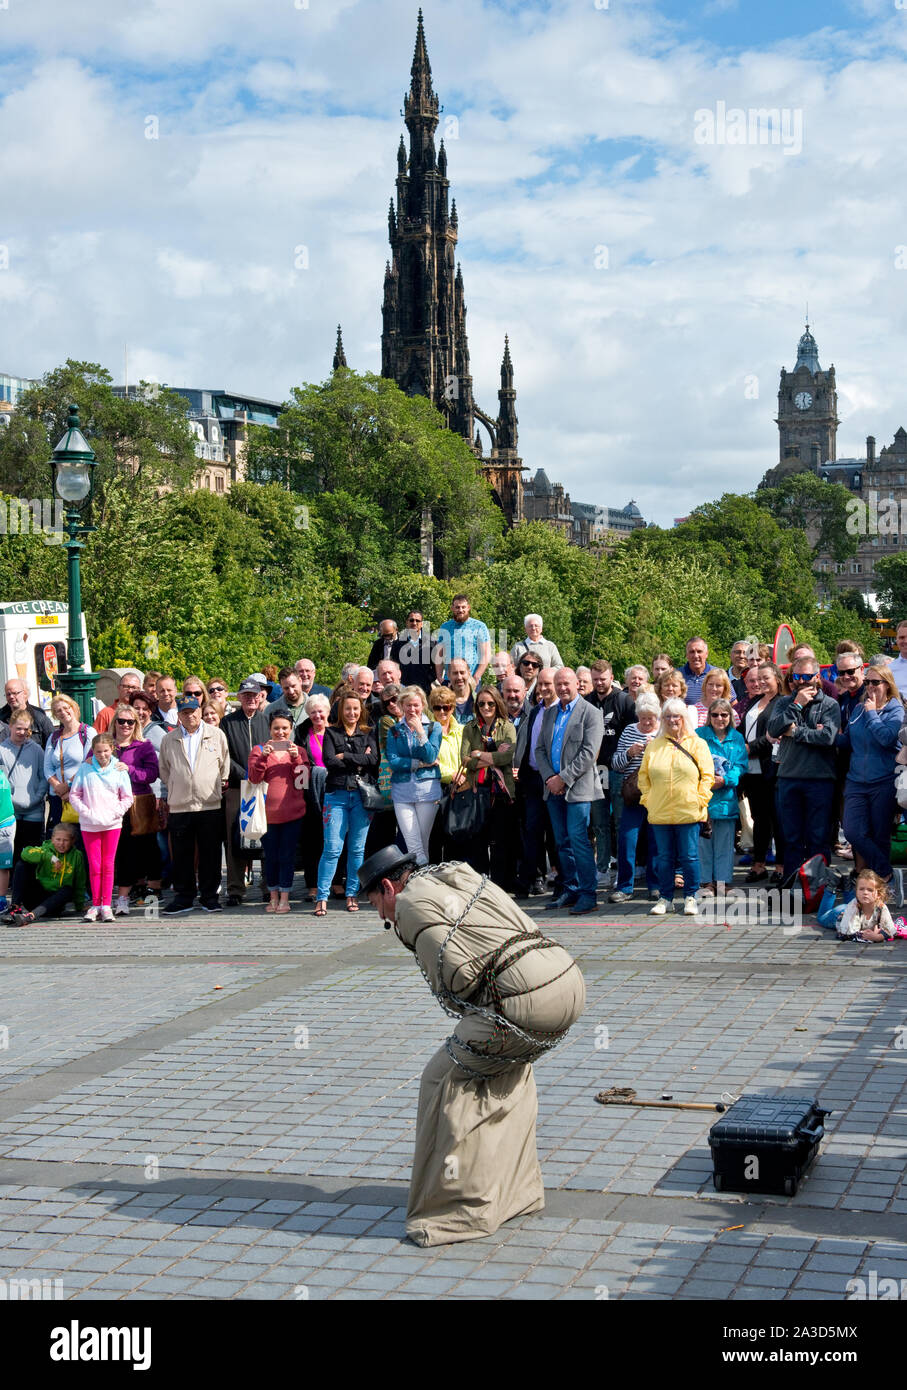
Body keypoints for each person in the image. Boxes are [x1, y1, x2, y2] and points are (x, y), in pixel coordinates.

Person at [358, 846, 585, 1247]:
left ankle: (455, 1210)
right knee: (509, 1070)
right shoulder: (455, 876)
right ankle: (517, 1192)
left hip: (525, 1003)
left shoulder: (409, 904)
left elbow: (459, 980)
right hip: (565, 979)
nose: (381, 916)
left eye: (377, 903)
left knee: (443, 1078)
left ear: (390, 887)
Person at [536, 667, 604, 915]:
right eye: (559, 684)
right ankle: (572, 889)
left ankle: (589, 893)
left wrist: (562, 779)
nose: (563, 688)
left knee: (578, 841)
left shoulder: (591, 713)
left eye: (567, 683)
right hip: (552, 789)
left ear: (577, 683)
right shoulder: (550, 712)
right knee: (562, 843)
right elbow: (540, 750)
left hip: (578, 789)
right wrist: (549, 778)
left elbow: (588, 754)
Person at [767, 656, 841, 882]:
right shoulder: (784, 703)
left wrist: (796, 732)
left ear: (817, 678)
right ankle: (792, 887)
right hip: (789, 778)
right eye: (797, 677)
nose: (801, 682)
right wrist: (796, 705)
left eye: (807, 677)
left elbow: (827, 737)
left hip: (820, 780)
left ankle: (818, 888)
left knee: (818, 838)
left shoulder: (829, 704)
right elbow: (773, 729)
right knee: (791, 838)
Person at [638, 698, 714, 915]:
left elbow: (708, 776)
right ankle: (665, 898)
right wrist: (648, 800)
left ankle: (691, 896)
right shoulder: (654, 745)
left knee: (689, 856)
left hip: (688, 810)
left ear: (684, 719)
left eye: (677, 716)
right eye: (668, 716)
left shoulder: (697, 744)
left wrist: (700, 799)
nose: (672, 720)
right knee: (664, 858)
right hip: (660, 811)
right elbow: (643, 778)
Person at [158, 695, 231, 915]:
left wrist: (213, 784)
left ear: (200, 711)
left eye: (193, 711)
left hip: (209, 803)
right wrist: (178, 784)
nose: (190, 716)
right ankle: (184, 896)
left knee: (210, 853)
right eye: (185, 713)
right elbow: (164, 770)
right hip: (180, 805)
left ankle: (210, 896)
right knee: (181, 854)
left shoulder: (216, 735)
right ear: (179, 715)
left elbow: (224, 765)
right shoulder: (168, 740)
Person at [315, 691, 378, 915]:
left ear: (361, 710)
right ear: (340, 711)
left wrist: (347, 757)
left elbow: (373, 760)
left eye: (355, 708)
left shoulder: (368, 733)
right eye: (347, 708)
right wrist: (359, 759)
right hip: (337, 795)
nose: (352, 712)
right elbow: (329, 761)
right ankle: (322, 897)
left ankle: (352, 894)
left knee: (357, 849)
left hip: (361, 797)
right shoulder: (331, 733)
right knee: (332, 848)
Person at [840, 665, 901, 880]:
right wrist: (824, 734)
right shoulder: (859, 709)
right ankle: (886, 872)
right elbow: (847, 741)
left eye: (875, 682)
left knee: (879, 835)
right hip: (856, 780)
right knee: (852, 831)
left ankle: (880, 887)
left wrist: (873, 713)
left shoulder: (896, 710)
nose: (870, 687)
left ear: (887, 684)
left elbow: (887, 738)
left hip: (883, 780)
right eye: (867, 682)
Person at [453, 685, 517, 888]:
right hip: (476, 790)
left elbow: (507, 756)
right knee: (478, 841)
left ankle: (500, 884)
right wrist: (491, 759)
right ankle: (481, 884)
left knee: (501, 841)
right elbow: (464, 760)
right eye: (481, 703)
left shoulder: (507, 727)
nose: (486, 707)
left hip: (500, 791)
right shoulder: (470, 728)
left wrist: (479, 754)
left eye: (490, 703)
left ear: (497, 703)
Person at [68, 733, 134, 922]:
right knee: (95, 864)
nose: (102, 755)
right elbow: (75, 794)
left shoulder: (119, 769)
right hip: (90, 824)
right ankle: (96, 904)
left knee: (108, 864)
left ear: (112, 749)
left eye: (106, 751)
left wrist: (116, 812)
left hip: (112, 823)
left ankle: (106, 905)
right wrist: (86, 812)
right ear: (93, 751)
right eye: (98, 751)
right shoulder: (85, 768)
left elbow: (127, 797)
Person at [247, 710, 308, 914]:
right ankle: (272, 896)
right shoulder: (258, 750)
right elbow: (254, 779)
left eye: (284, 728)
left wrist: (296, 759)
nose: (280, 732)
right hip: (267, 815)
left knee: (287, 856)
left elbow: (303, 781)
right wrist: (264, 757)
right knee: (271, 856)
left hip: (292, 813)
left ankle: (285, 897)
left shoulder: (299, 750)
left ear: (291, 730)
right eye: (276, 728)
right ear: (270, 729)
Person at [222, 677, 272, 906]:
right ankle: (235, 888)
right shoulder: (227, 722)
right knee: (235, 838)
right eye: (246, 695)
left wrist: (259, 775)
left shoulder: (267, 720)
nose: (250, 699)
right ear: (239, 698)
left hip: (263, 786)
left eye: (254, 695)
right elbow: (224, 756)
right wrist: (244, 774)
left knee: (265, 835)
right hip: (236, 786)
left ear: (261, 696)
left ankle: (267, 885)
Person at [608, 692, 661, 903]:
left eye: (651, 718)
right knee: (627, 839)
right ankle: (624, 886)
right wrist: (630, 753)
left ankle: (655, 886)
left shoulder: (663, 733)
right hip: (633, 793)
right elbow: (616, 764)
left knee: (656, 841)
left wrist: (653, 752)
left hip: (657, 794)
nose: (647, 722)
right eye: (643, 717)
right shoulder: (630, 730)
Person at [586, 660, 635, 885]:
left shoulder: (624, 701)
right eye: (595, 679)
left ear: (611, 677)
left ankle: (623, 872)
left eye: (602, 679)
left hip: (618, 768)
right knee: (599, 822)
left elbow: (633, 734)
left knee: (620, 821)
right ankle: (602, 869)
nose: (599, 683)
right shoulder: (587, 701)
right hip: (594, 770)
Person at [109, 704, 160, 916]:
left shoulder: (143, 746)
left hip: (138, 803)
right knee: (122, 851)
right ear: (115, 723)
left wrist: (128, 769)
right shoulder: (107, 745)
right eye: (121, 721)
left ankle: (153, 894)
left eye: (130, 722)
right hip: (113, 804)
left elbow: (152, 774)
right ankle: (123, 894)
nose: (126, 725)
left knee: (147, 848)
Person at [513, 666, 559, 897]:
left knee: (556, 834)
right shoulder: (534, 711)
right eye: (540, 684)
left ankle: (562, 880)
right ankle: (530, 878)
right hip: (532, 778)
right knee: (532, 831)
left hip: (556, 780)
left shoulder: (563, 710)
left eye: (548, 684)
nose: (543, 688)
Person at [386, 686, 443, 866]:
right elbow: (393, 761)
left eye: (416, 705)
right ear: (402, 706)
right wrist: (418, 764)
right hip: (402, 792)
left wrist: (420, 732)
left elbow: (431, 756)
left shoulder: (434, 727)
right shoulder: (394, 730)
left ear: (423, 705)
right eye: (408, 705)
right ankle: (423, 879)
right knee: (413, 843)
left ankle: (420, 882)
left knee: (422, 843)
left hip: (427, 791)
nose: (412, 709)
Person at [696, 699, 748, 896]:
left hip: (726, 797)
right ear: (709, 716)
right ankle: (705, 882)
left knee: (725, 843)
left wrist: (725, 779)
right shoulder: (699, 735)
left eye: (724, 715)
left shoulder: (736, 738)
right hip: (704, 796)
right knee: (704, 842)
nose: (719, 718)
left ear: (730, 717)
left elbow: (741, 765)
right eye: (715, 714)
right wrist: (708, 779)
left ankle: (723, 881)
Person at [739, 663, 785, 884]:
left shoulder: (782, 703)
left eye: (766, 678)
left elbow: (774, 736)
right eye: (758, 679)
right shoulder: (755, 702)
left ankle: (781, 865)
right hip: (752, 771)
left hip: (772, 768)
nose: (762, 682)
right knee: (759, 818)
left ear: (777, 678)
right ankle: (759, 864)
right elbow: (744, 731)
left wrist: (749, 748)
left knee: (777, 818)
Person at [3, 822, 87, 927]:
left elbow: (80, 881)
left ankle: (30, 916)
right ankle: (14, 908)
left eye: (65, 840)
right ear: (52, 839)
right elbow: (25, 853)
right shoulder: (46, 849)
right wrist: (50, 857)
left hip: (55, 904)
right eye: (58, 840)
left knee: (68, 889)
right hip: (36, 898)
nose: (61, 843)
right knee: (22, 864)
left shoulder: (77, 856)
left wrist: (79, 906)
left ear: (73, 841)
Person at [294, 693, 331, 901]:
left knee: (333, 839)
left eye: (320, 711)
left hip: (334, 789)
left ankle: (335, 882)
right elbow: (299, 765)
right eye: (313, 712)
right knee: (312, 840)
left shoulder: (335, 731)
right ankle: (313, 884)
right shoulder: (302, 734)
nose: (317, 715)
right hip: (310, 793)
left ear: (327, 712)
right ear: (308, 714)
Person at [45, 693, 96, 834]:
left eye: (66, 708)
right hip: (57, 796)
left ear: (73, 708)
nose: (63, 712)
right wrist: (57, 786)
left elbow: (88, 764)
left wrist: (68, 787)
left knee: (79, 839)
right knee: (60, 840)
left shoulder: (87, 733)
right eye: (58, 711)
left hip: (80, 794)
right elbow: (47, 767)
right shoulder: (54, 737)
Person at [0, 711, 48, 861]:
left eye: (26, 729)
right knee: (13, 852)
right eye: (18, 728)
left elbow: (43, 776)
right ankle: (13, 884)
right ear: (11, 726)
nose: (22, 732)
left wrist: (37, 797)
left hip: (33, 809)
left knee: (33, 852)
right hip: (10, 810)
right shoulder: (1, 750)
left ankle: (31, 884)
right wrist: (10, 799)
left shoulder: (37, 750)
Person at [435, 595, 491, 684]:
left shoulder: (479, 626)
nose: (460, 610)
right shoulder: (445, 627)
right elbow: (439, 654)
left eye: (463, 607)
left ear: (468, 607)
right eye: (457, 607)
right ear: (452, 608)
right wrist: (439, 676)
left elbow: (486, 654)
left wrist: (477, 676)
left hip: (471, 679)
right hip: (449, 680)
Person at [837, 870, 898, 941]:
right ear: (856, 892)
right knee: (822, 918)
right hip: (840, 915)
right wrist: (868, 935)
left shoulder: (881, 907)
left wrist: (878, 937)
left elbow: (891, 930)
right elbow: (846, 933)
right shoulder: (853, 906)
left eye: (870, 890)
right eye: (861, 889)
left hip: (847, 910)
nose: (865, 892)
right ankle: (831, 888)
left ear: (878, 894)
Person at [0, 678, 53, 749]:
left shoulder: (39, 717)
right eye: (8, 694)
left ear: (25, 694)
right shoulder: (1, 717)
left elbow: (51, 744)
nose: (11, 697)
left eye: (15, 693)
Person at [397, 611, 438, 695]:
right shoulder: (398, 643)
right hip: (403, 689)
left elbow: (436, 667)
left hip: (424, 689)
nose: (414, 623)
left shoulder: (431, 642)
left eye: (417, 621)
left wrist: (427, 679)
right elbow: (394, 664)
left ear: (422, 624)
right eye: (411, 620)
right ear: (407, 623)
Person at [680, 637, 716, 705]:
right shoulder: (677, 676)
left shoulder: (718, 675)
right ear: (687, 655)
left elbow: (733, 704)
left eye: (699, 651)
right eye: (692, 652)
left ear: (706, 654)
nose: (696, 655)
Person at [445, 658, 476, 725]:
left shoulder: (479, 700)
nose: (459, 677)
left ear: (469, 673)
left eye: (462, 672)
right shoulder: (441, 702)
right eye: (455, 673)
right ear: (448, 675)